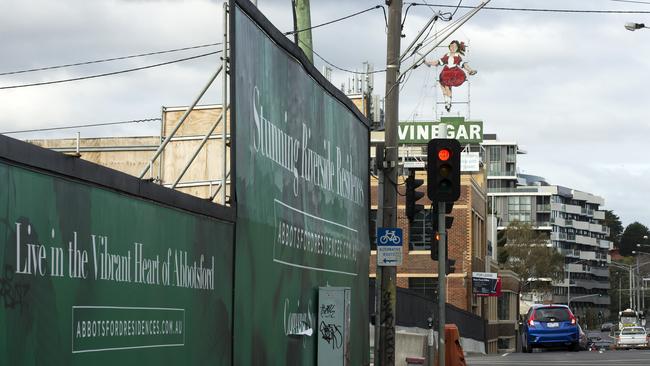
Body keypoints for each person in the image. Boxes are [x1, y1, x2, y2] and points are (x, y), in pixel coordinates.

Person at [426, 40, 477, 112]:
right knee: (444, 86)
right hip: (446, 72)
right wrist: (428, 62)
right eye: (452, 46)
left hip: (454, 72)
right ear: (449, 46)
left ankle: (448, 103)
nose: (453, 48)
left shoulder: (457, 56)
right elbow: (437, 62)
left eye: (455, 47)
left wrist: (470, 70)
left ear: (457, 48)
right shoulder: (446, 55)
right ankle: (447, 102)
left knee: (447, 86)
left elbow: (464, 65)